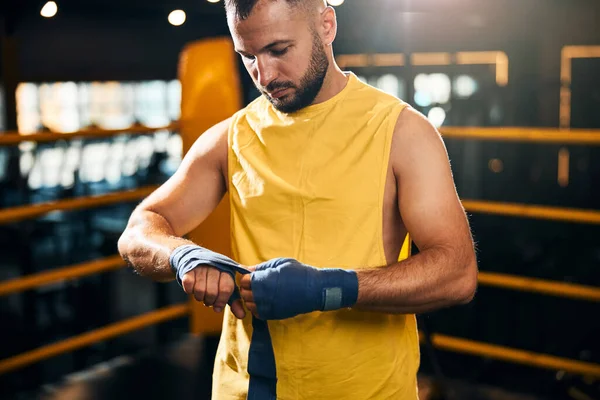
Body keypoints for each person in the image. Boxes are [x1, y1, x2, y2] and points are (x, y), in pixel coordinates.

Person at [118, 0, 478, 398]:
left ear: (326, 25)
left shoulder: (401, 132)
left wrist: (328, 288)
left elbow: (457, 273)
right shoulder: (230, 138)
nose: (265, 75)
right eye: (248, 57)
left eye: (279, 50)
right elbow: (140, 230)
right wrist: (182, 255)